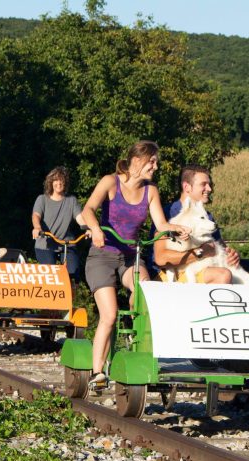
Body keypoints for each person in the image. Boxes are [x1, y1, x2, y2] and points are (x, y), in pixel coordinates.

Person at [82, 140, 189, 386]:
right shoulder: (111, 182)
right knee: (109, 314)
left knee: (144, 293)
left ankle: (133, 339)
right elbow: (88, 209)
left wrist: (175, 229)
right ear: (137, 161)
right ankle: (97, 371)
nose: (156, 167)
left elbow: (160, 225)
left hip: (131, 257)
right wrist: (96, 229)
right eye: (152, 161)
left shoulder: (151, 191)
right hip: (102, 255)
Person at [153, 164, 249, 285]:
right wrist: (201, 252)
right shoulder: (168, 214)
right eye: (203, 184)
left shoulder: (207, 216)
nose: (209, 189)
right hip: (175, 273)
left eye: (209, 184)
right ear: (187, 187)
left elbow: (220, 248)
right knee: (223, 275)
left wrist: (232, 255)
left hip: (208, 266)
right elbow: (161, 258)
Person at [31, 166, 88, 279]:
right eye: (56, 180)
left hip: (66, 243)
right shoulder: (42, 199)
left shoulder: (71, 200)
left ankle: (72, 293)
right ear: (51, 182)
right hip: (46, 244)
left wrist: (87, 227)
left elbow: (79, 217)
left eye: (61, 180)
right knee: (50, 275)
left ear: (65, 182)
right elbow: (36, 215)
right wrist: (37, 228)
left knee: (73, 273)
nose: (59, 183)